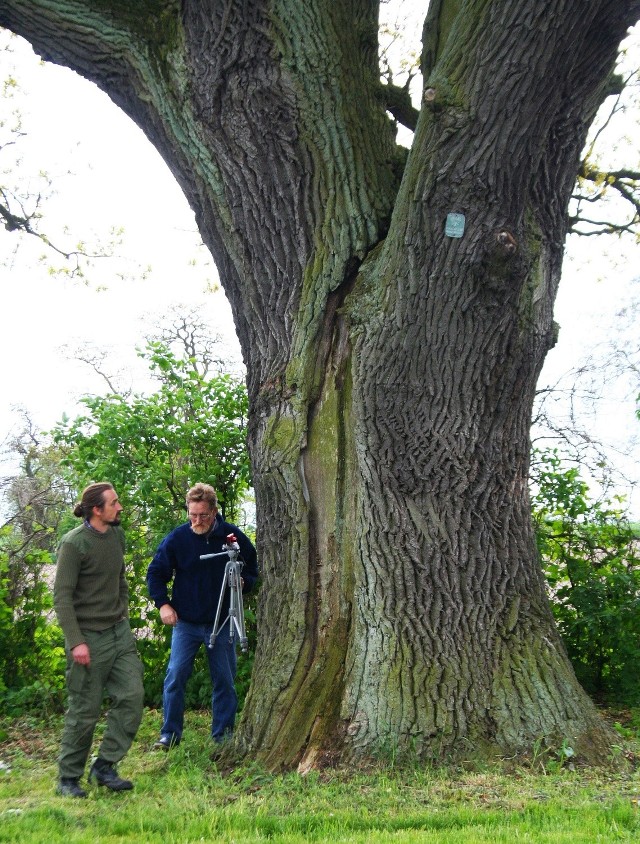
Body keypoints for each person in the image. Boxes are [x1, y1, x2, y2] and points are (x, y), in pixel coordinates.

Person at [147, 482, 258, 750]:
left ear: (214, 511)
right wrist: (163, 604)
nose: (197, 521)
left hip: (222, 621)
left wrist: (244, 582)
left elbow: (252, 567)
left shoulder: (231, 537)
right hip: (186, 622)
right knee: (175, 676)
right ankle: (169, 735)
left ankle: (223, 737)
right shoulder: (178, 538)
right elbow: (156, 572)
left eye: (203, 516)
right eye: (192, 515)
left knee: (224, 681)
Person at [53, 482, 144, 798]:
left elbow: (119, 578)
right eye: (114, 503)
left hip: (119, 633)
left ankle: (105, 765)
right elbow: (62, 597)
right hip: (88, 639)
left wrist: (124, 614)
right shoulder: (74, 544)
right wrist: (76, 641)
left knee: (132, 696)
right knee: (84, 711)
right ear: (96, 509)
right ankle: (68, 778)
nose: (119, 507)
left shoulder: (116, 534)